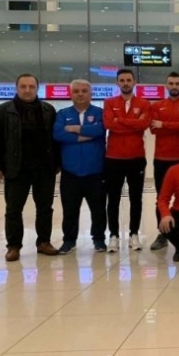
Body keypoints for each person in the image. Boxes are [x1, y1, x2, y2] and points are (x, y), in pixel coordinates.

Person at [0, 73, 60, 261]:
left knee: (45, 208)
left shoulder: (48, 110)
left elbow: (56, 139)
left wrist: (57, 163)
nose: (27, 90)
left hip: (44, 169)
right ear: (17, 88)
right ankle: (13, 246)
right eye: (23, 86)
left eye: (31, 87)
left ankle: (43, 242)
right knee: (13, 209)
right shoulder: (4, 110)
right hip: (16, 168)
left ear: (37, 88)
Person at [52, 79, 107, 254]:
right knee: (70, 209)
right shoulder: (62, 114)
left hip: (95, 171)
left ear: (91, 94)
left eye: (84, 91)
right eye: (76, 91)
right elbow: (58, 134)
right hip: (70, 172)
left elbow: (100, 130)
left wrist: (74, 128)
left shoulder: (100, 113)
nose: (80, 94)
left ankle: (99, 239)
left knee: (98, 208)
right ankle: (69, 240)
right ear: (71, 94)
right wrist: (83, 135)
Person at [103, 68, 151, 253]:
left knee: (135, 199)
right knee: (113, 199)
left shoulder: (144, 103)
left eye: (128, 80)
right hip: (113, 158)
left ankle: (134, 234)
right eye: (122, 80)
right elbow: (109, 124)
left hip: (136, 158)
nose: (125, 83)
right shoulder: (109, 102)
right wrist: (132, 123)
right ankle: (113, 235)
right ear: (117, 83)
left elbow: (143, 125)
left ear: (134, 82)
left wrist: (120, 121)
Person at [149, 72, 179, 251]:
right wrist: (178, 123)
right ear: (166, 85)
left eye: (177, 83)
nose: (174, 86)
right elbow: (154, 129)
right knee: (161, 198)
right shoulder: (157, 105)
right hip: (161, 159)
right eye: (171, 83)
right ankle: (163, 234)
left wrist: (164, 124)